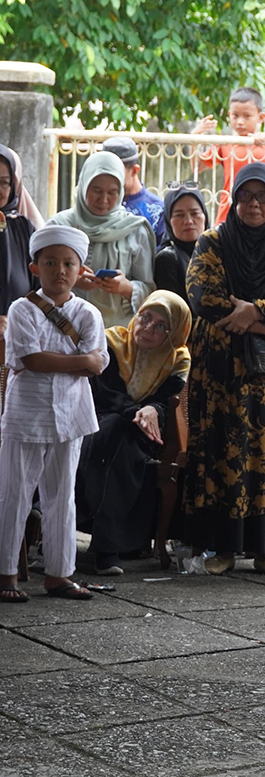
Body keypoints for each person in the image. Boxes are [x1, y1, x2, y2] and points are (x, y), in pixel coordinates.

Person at [183, 163, 265, 577]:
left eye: (262, 197)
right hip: (222, 373)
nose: (253, 204)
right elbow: (203, 296)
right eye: (246, 196)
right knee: (223, 447)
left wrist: (256, 310)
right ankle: (221, 549)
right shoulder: (213, 242)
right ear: (234, 199)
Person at [0, 227, 107, 602]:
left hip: (71, 415)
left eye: (67, 263)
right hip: (25, 416)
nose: (59, 270)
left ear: (81, 270)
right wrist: (79, 361)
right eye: (50, 262)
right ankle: (6, 573)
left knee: (62, 496)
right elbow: (32, 359)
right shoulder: (22, 309)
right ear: (35, 267)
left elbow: (98, 364)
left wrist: (70, 363)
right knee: (13, 493)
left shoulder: (89, 313)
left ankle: (59, 575)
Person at [76, 291, 192, 576]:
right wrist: (140, 412)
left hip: (146, 434)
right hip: (98, 423)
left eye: (161, 326)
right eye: (145, 317)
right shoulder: (112, 341)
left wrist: (152, 409)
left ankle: (101, 545)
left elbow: (168, 401)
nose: (148, 328)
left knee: (124, 440)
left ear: (174, 332)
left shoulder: (178, 358)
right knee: (117, 431)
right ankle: (107, 549)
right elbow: (105, 394)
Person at [46, 151, 156, 328]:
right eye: (96, 190)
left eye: (112, 192)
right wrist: (71, 280)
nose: (104, 199)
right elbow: (38, 276)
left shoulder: (134, 230)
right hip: (63, 330)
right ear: (83, 187)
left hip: (117, 336)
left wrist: (127, 287)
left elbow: (150, 289)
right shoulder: (59, 227)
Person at [192, 87, 265, 224]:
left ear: (261, 117)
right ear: (229, 114)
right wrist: (194, 139)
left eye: (247, 116)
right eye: (235, 116)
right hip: (228, 209)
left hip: (260, 209)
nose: (240, 122)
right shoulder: (225, 144)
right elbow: (198, 166)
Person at [1, 144, 40, 334]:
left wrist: (17, 320)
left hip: (21, 340)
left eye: (4, 182)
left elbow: (40, 291)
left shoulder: (23, 227)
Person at [101, 137, 166, 241]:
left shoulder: (158, 211)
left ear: (135, 170)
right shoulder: (98, 205)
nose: (110, 179)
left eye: (116, 172)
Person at [154, 186, 209, 300]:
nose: (188, 221)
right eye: (179, 215)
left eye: (194, 213)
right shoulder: (167, 259)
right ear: (169, 221)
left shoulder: (216, 251)